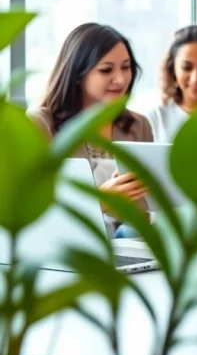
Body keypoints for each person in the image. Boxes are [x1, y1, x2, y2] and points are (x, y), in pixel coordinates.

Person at [27, 23, 153, 235]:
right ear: (77, 74)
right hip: (67, 245)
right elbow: (31, 209)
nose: (120, 79)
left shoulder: (138, 125)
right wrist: (100, 201)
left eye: (126, 67)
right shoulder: (40, 124)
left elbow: (143, 210)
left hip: (128, 241)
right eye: (106, 70)